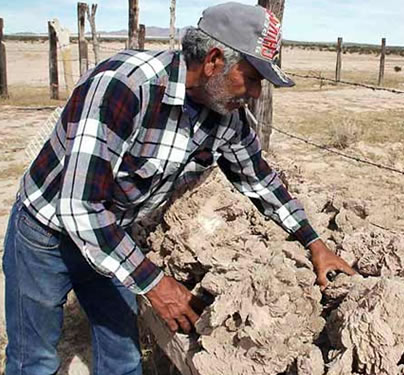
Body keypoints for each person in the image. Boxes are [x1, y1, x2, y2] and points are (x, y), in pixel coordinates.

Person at [2, 2, 355, 374]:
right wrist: (155, 283)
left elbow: (260, 180)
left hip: (112, 236)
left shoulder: (226, 117)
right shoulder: (124, 86)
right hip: (46, 235)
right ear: (214, 60)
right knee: (33, 361)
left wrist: (314, 243)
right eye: (251, 78)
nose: (254, 93)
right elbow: (79, 206)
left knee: (123, 359)